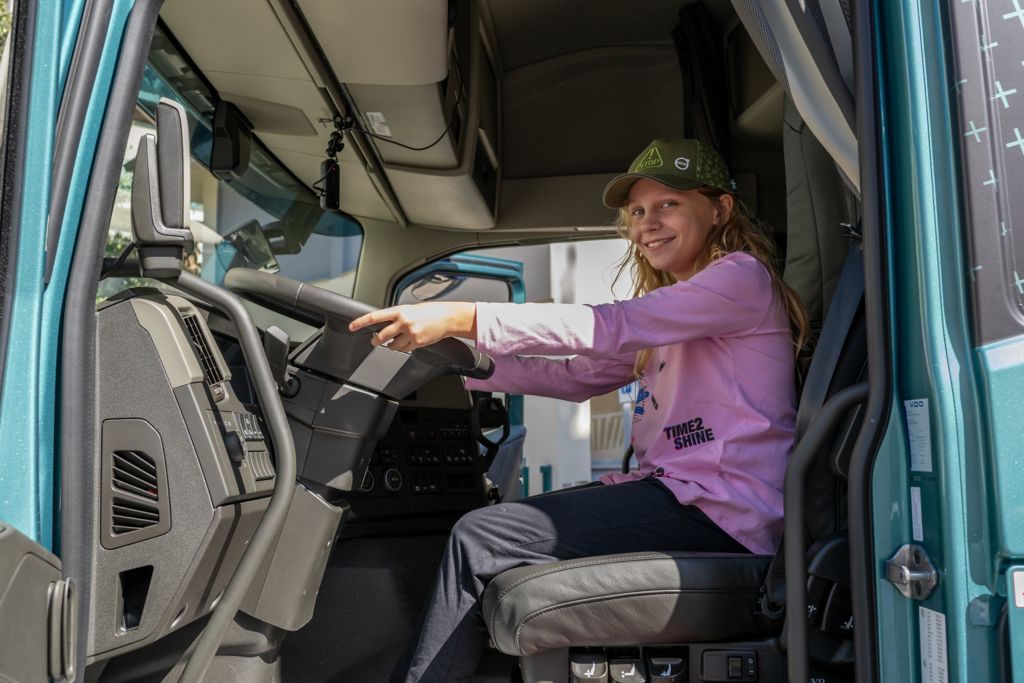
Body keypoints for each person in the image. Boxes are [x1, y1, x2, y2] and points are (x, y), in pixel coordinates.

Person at [349, 138, 809, 683]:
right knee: (499, 534)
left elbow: (604, 325)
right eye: (637, 211)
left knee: (484, 537)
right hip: (684, 498)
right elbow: (575, 377)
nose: (648, 223)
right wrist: (462, 367)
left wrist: (461, 316)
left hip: (725, 513)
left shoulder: (740, 278)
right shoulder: (677, 312)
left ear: (719, 209)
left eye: (669, 204)